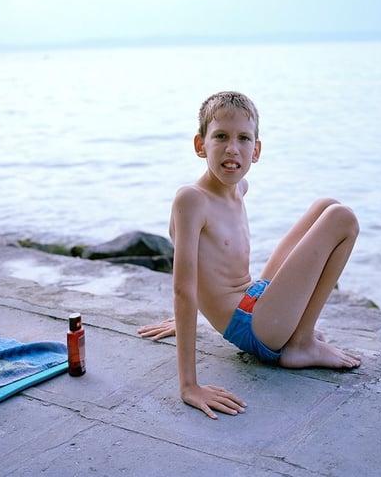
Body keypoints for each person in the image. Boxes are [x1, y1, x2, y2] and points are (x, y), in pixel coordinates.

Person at [137, 91, 361, 419]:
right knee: (343, 219)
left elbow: (213, 265)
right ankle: (300, 343)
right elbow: (184, 288)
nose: (232, 148)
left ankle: (298, 331)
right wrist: (189, 386)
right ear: (200, 145)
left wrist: (197, 312)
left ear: (256, 151)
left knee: (326, 206)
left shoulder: (239, 189)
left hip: (255, 299)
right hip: (254, 326)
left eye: (243, 138)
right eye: (221, 137)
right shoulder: (192, 199)